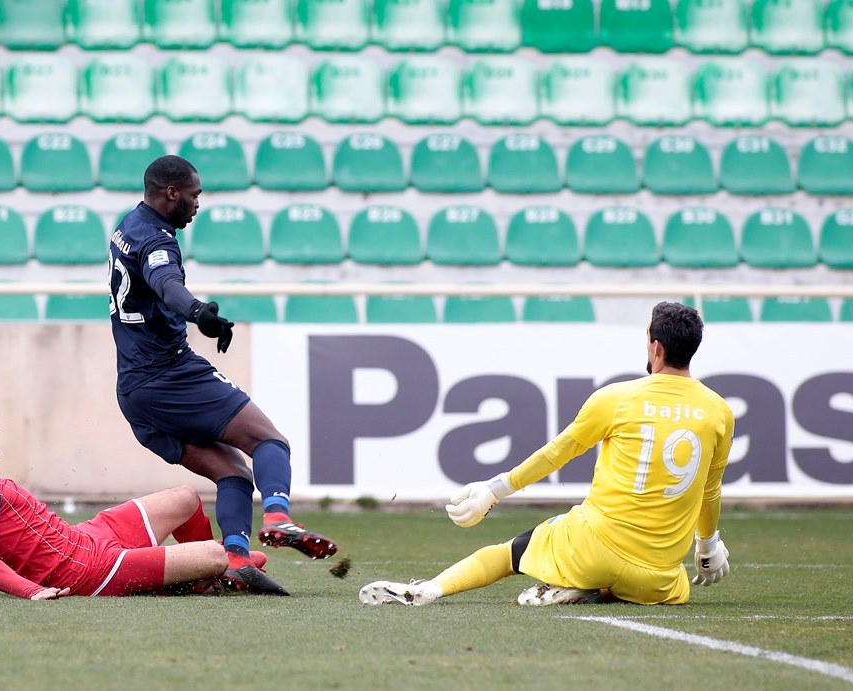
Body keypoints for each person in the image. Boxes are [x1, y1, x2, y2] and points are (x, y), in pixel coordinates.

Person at [359, 301, 734, 607]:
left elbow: (557, 454)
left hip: (591, 547)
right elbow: (710, 491)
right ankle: (589, 591)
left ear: (655, 347)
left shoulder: (618, 398)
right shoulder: (719, 411)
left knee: (509, 555)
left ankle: (429, 589)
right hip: (658, 576)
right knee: (656, 583)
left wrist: (494, 490)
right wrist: (707, 545)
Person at [107, 155, 337, 596]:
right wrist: (198, 313)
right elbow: (165, 281)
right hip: (169, 374)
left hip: (134, 392)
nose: (197, 204)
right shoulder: (157, 239)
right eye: (194, 195)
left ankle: (235, 560)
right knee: (269, 442)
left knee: (233, 474)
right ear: (171, 193)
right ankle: (278, 517)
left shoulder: (128, 224)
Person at [0, 388, 237, 600]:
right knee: (216, 555)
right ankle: (206, 576)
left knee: (185, 497)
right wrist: (32, 589)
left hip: (87, 538)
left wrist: (30, 579)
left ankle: (203, 579)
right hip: (88, 572)